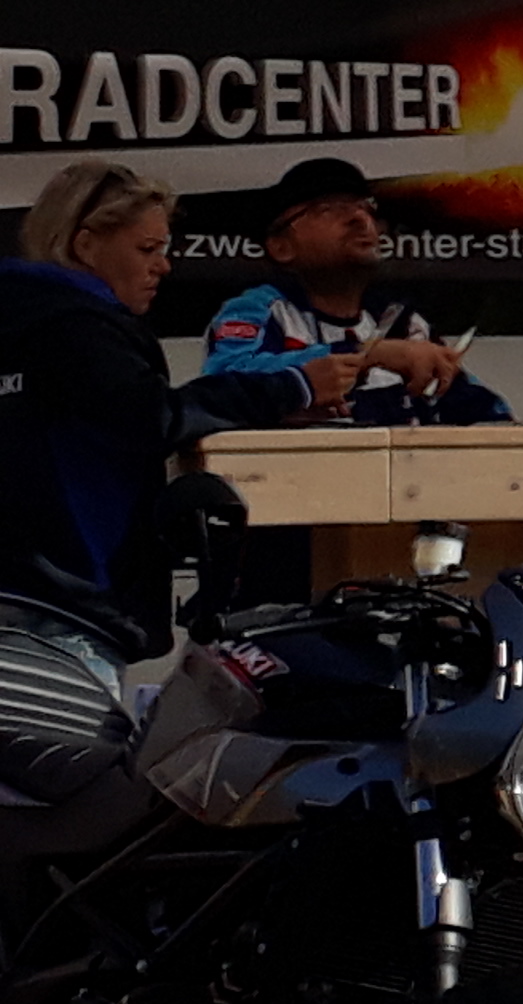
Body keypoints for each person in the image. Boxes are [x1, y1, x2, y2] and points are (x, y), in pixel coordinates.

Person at [0, 159, 326, 648]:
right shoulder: (74, 330)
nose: (164, 266)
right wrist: (292, 386)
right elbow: (153, 417)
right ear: (85, 245)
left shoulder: (22, 316)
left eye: (164, 249)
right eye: (146, 249)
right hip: (68, 608)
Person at [202, 157, 509, 426]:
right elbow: (221, 388)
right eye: (329, 209)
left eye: (365, 208)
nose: (359, 219)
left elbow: (489, 418)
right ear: (281, 247)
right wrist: (368, 356)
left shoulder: (403, 323)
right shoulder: (259, 311)